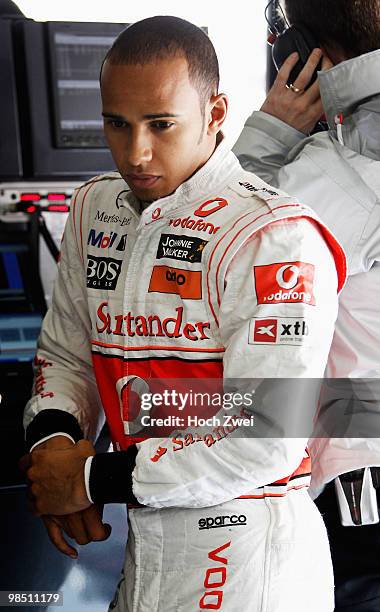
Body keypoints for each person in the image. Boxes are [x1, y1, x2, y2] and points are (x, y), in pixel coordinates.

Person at [21, 16, 346, 612]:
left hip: (249, 557)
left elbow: (268, 431)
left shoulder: (275, 236)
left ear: (217, 113)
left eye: (161, 125)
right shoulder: (96, 207)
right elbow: (67, 351)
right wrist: (54, 452)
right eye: (117, 125)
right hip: (145, 544)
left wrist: (92, 480)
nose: (137, 152)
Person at [233, 0, 380, 609]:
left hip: (360, 494)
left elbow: (206, 255)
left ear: (300, 53)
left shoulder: (332, 176)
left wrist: (269, 134)